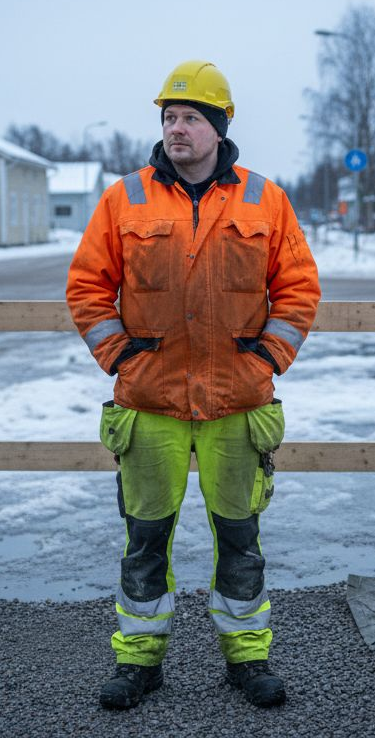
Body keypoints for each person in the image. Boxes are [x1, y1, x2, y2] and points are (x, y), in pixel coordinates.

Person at [65, 60, 321, 710]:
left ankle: (247, 659)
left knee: (240, 540)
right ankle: (138, 662)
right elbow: (87, 286)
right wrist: (122, 357)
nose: (177, 128)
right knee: (145, 542)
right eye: (169, 117)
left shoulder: (266, 199)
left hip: (238, 404)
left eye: (191, 118)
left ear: (219, 127)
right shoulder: (125, 197)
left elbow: (298, 289)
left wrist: (266, 360)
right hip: (150, 405)